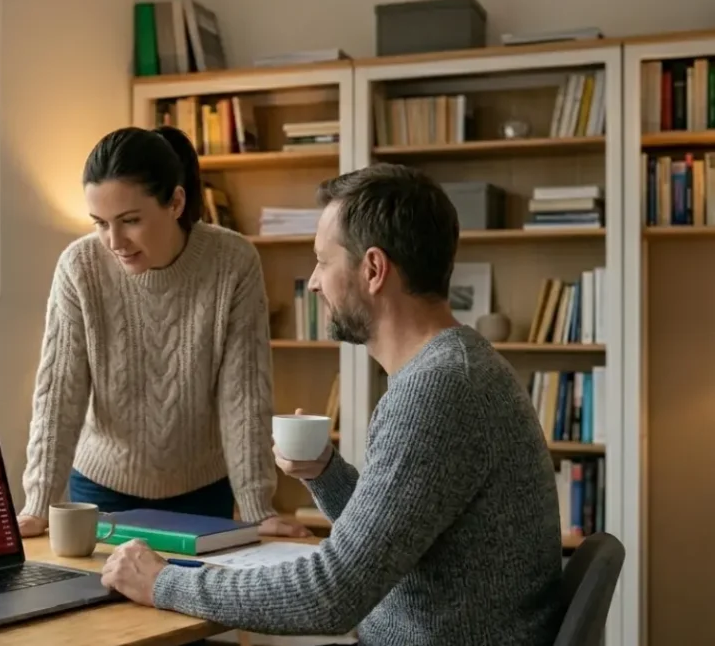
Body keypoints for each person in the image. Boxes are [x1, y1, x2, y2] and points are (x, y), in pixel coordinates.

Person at [100, 163, 566, 645]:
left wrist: (164, 583)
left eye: (323, 261)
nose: (315, 282)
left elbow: (332, 594)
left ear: (373, 269)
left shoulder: (438, 390)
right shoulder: (455, 366)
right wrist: (323, 471)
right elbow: (388, 542)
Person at [16, 125, 310, 539]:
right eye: (100, 223)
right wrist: (37, 505)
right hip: (101, 489)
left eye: (130, 220)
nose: (114, 241)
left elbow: (244, 397)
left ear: (175, 201)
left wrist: (259, 508)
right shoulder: (79, 267)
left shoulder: (232, 262)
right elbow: (59, 394)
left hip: (203, 493)